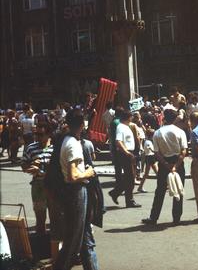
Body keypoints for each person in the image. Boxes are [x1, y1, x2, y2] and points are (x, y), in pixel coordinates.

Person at [54, 108, 98, 270]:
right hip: (76, 190)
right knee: (74, 240)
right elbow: (73, 175)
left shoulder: (68, 140)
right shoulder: (73, 144)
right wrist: (88, 171)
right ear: (82, 125)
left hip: (76, 191)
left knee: (84, 236)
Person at [142, 109, 187, 226]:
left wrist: (166, 164)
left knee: (160, 191)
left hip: (164, 163)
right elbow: (183, 151)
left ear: (164, 118)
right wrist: (176, 166)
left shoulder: (158, 132)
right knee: (178, 189)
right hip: (178, 162)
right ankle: (176, 218)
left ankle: (153, 217)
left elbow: (156, 152)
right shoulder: (180, 131)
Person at [21, 123, 54, 235]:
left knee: (55, 216)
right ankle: (40, 242)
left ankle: (55, 245)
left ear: (48, 134)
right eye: (36, 134)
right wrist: (32, 167)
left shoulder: (56, 147)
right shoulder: (31, 148)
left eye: (40, 134)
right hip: (38, 186)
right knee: (40, 218)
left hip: (53, 185)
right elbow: (24, 166)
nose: (37, 137)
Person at [108, 110, 141, 208]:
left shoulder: (126, 127)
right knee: (130, 178)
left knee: (130, 177)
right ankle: (128, 200)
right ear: (128, 117)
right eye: (131, 117)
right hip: (125, 154)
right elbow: (118, 141)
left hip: (129, 153)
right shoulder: (121, 127)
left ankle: (116, 192)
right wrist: (126, 152)